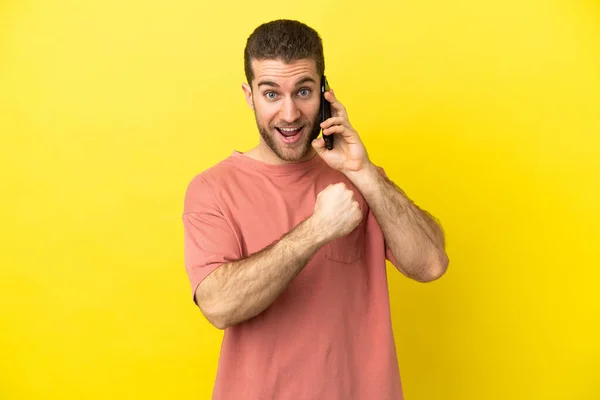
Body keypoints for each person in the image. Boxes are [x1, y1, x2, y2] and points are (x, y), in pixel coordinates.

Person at [181, 19, 449, 400]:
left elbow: (432, 264)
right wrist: (317, 230)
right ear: (249, 95)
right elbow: (218, 306)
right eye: (271, 94)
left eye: (303, 91)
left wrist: (365, 173)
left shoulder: (361, 177)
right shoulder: (211, 189)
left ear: (325, 92)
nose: (289, 114)